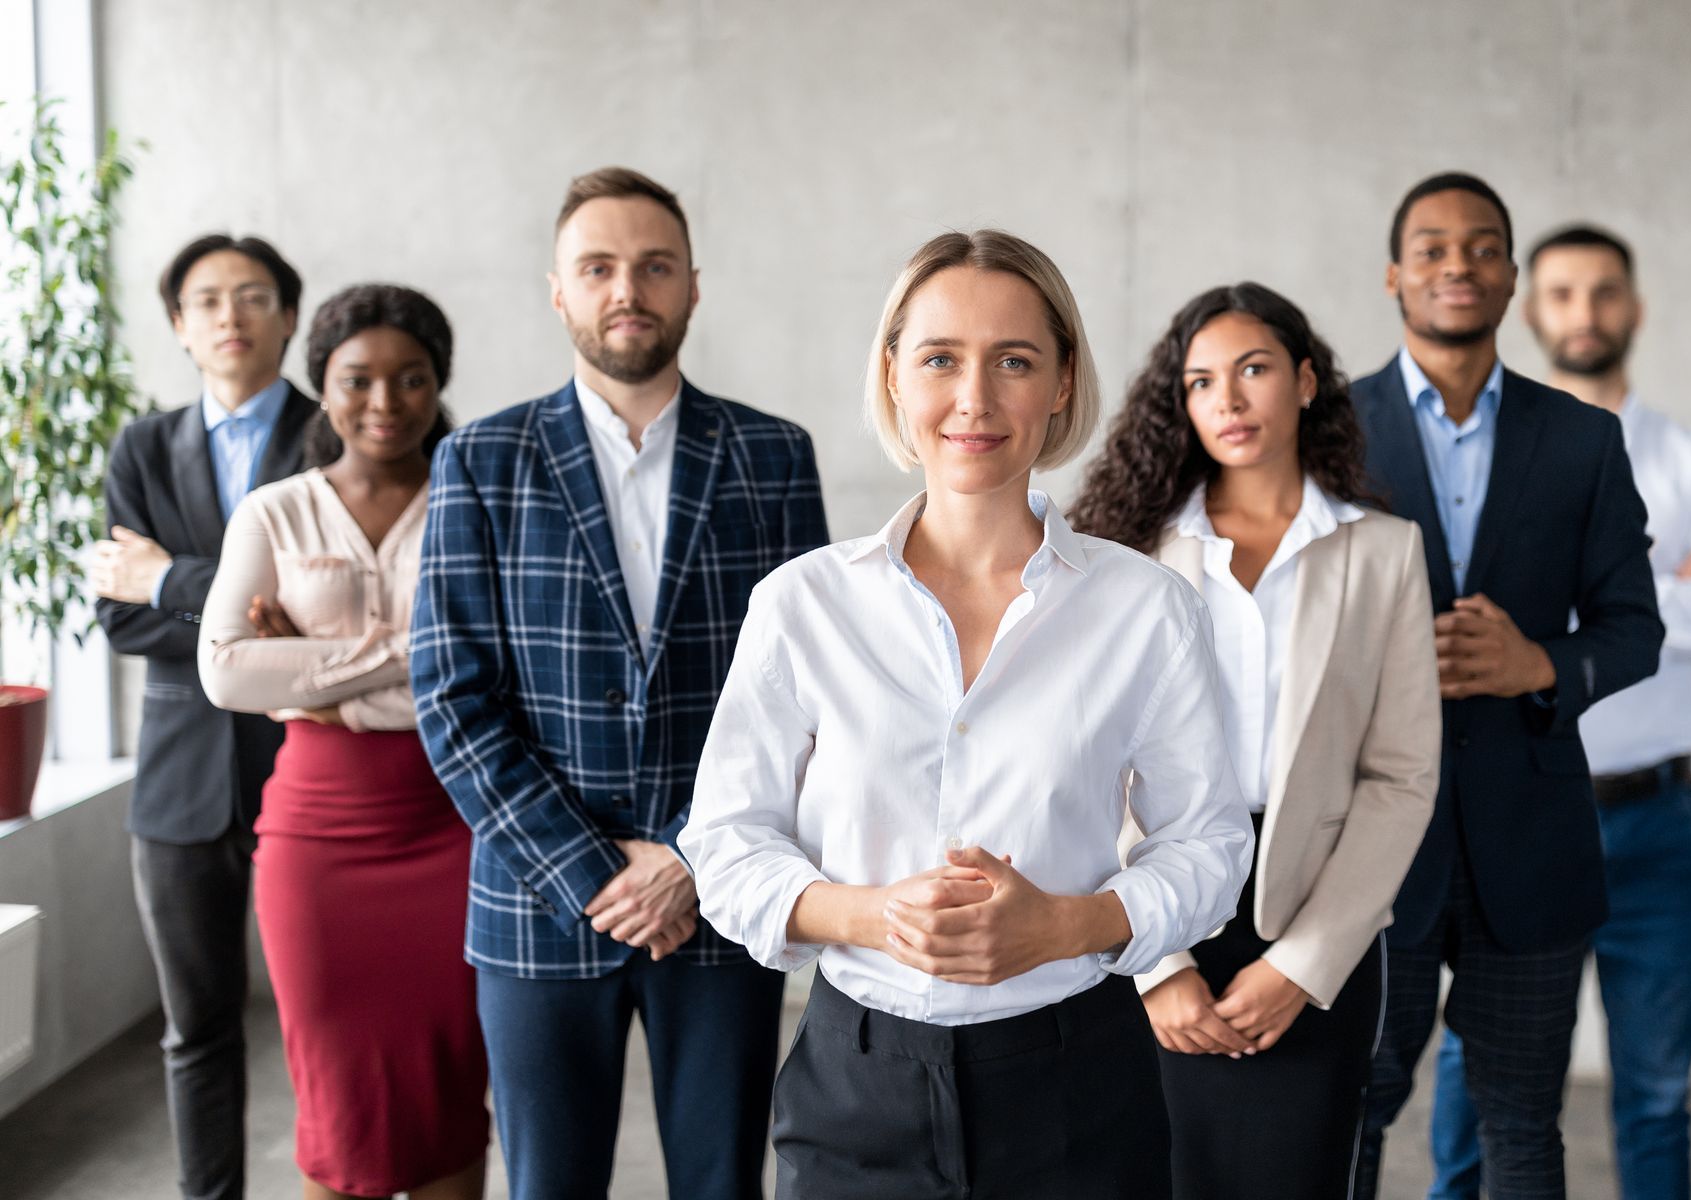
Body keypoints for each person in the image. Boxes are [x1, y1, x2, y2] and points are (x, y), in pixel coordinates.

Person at [679, 228, 1253, 1200]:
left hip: (1080, 1085)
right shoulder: (803, 604)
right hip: (853, 1086)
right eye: (941, 358)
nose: (975, 400)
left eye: (1015, 361)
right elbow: (728, 847)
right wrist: (873, 914)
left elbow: (1209, 846)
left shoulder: (1148, 609)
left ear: (1063, 382)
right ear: (895, 375)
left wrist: (1069, 926)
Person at [410, 166, 829, 1200]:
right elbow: (454, 701)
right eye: (597, 268)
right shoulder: (481, 460)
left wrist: (690, 856)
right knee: (548, 1184)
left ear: (693, 285)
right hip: (539, 900)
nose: (626, 289)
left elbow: (809, 699)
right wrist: (592, 869)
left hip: (722, 894)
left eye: (653, 267)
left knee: (725, 1179)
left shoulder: (774, 457)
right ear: (559, 290)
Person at [1426, 225, 1691, 1200]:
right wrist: (1655, 579)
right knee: (1474, 1082)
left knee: (1657, 1092)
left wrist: (1600, 602)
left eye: (1605, 292)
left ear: (1635, 306)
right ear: (1532, 310)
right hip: (1516, 815)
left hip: (1654, 824)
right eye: (1565, 293)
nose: (1586, 313)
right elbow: (1461, 621)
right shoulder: (1487, 458)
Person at [1072, 281, 1441, 1199]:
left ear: (1307, 382)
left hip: (1312, 918)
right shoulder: (1130, 553)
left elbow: (1399, 778)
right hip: (1146, 909)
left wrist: (1302, 965)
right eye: (1200, 382)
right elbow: (1087, 765)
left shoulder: (1383, 553)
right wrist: (1157, 964)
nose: (1227, 401)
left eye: (1253, 371)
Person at [1348, 173, 1665, 1200]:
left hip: (1532, 847)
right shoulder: (1327, 434)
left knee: (1523, 1126)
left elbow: (1634, 631)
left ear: (1512, 277)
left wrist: (1541, 666)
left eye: (1482, 247)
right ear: (1395, 274)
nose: (1457, 265)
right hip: (1368, 849)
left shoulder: (1580, 438)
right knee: (1346, 1111)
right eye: (1432, 247)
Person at [196, 284, 486, 1200]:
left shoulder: (476, 503)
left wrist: (311, 665)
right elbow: (228, 673)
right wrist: (417, 656)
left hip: (456, 824)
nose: (385, 402)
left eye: (411, 380)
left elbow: (504, 665)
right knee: (334, 1099)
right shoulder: (274, 513)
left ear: (438, 387)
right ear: (322, 385)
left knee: (448, 1089)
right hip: (316, 833)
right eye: (358, 379)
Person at [90, 234, 316, 1200]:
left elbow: (338, 617)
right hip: (181, 786)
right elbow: (116, 615)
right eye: (209, 300)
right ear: (181, 327)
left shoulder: (342, 428)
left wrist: (172, 581)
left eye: (255, 295)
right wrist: (249, 617)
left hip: (317, 764)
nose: (232, 314)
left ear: (290, 316)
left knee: (330, 1024)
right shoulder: (141, 447)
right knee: (198, 1030)